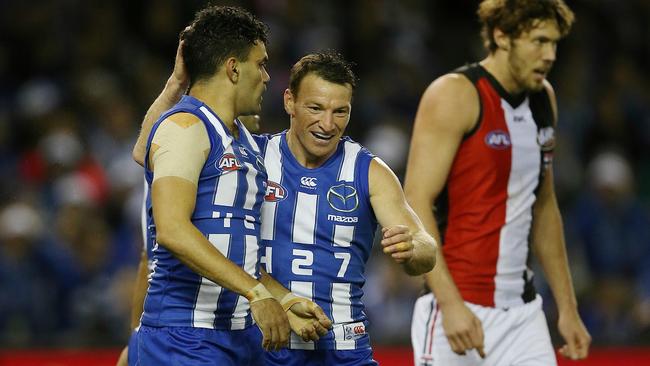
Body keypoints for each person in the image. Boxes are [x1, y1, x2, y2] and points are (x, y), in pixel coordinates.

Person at [406, 0, 591, 365]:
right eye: (539, 41)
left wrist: (567, 308)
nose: (550, 54)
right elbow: (414, 201)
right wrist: (450, 304)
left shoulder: (544, 99)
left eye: (554, 43)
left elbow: (544, 202)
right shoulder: (454, 94)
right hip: (456, 307)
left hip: (524, 315)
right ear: (501, 36)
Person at [257, 52, 436, 365]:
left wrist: (412, 247)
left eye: (340, 112)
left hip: (343, 351)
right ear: (289, 102)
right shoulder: (254, 159)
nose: (328, 124)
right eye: (316, 108)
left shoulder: (369, 171)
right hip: (265, 347)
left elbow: (425, 250)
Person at [136, 6, 291, 365]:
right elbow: (172, 230)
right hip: (183, 337)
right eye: (261, 63)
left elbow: (242, 253)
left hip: (241, 336)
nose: (267, 76)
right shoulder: (185, 127)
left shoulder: (246, 141)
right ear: (234, 68)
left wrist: (285, 300)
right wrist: (256, 294)